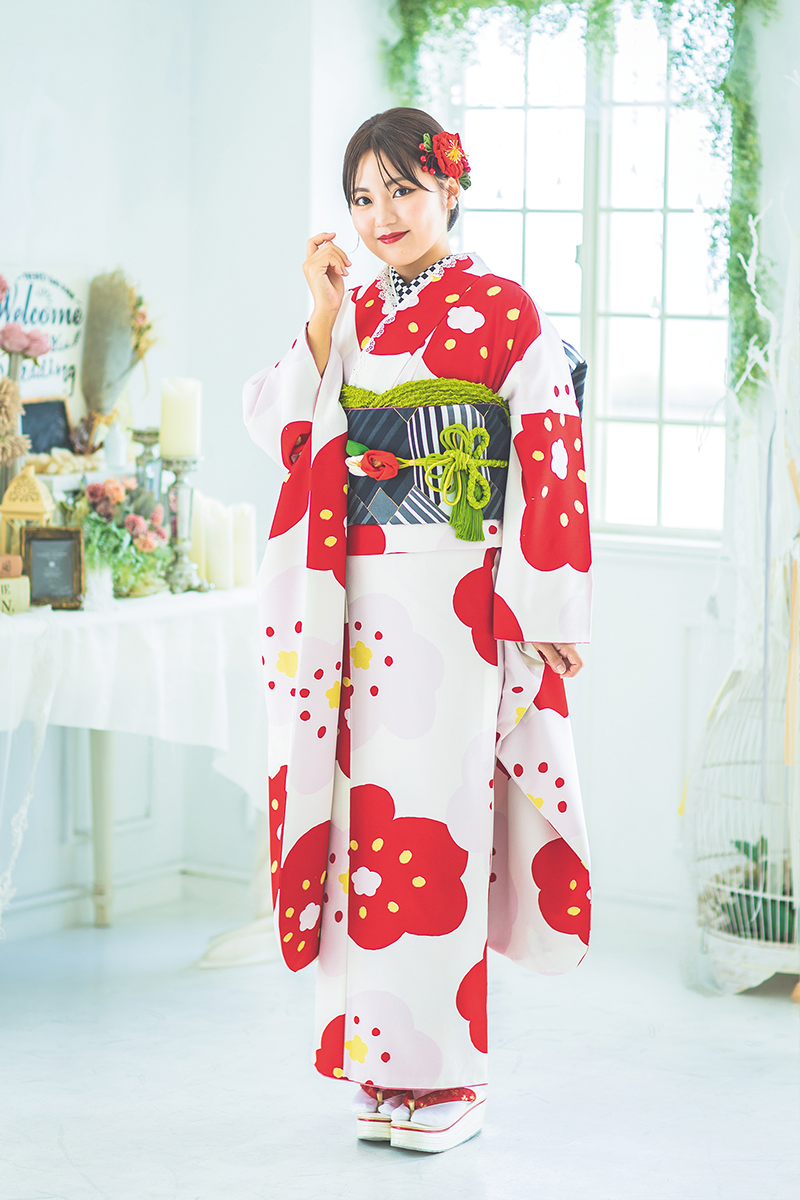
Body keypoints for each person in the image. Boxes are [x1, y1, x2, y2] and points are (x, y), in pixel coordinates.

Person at [243, 107, 592, 1154]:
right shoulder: (353, 312)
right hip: (350, 603)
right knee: (364, 832)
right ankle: (380, 1066)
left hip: (455, 602)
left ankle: (449, 1078)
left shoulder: (505, 309)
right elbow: (284, 427)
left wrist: (544, 603)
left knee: (436, 825)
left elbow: (547, 449)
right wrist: (319, 314)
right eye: (362, 197)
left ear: (449, 187)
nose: (380, 215)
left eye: (401, 189)